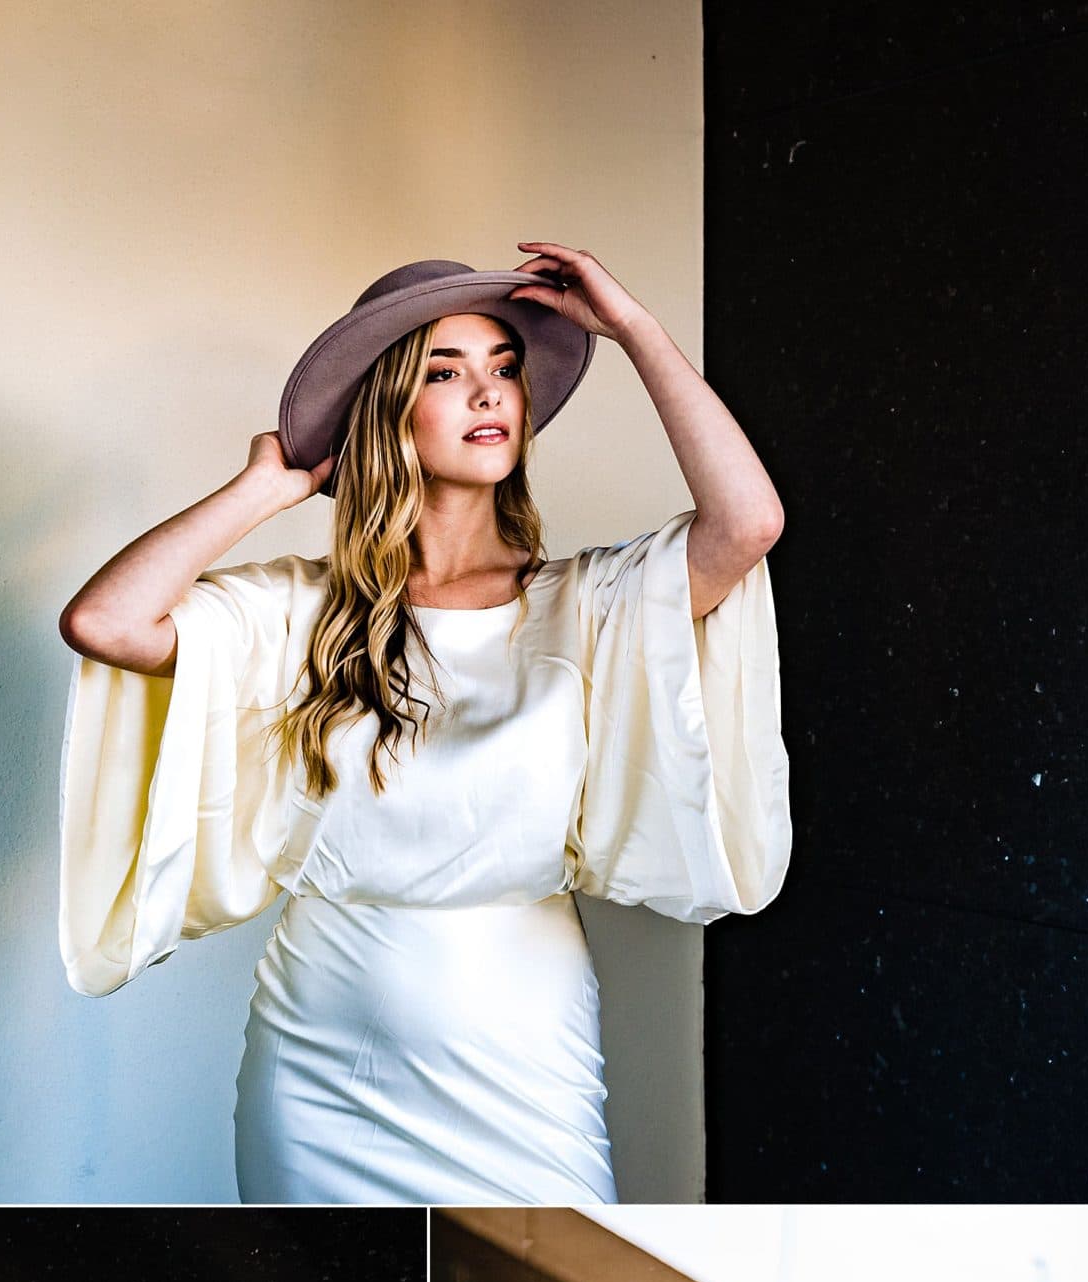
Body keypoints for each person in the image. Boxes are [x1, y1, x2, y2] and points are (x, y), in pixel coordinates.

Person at [58, 244, 791, 1205]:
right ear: (389, 409)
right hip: (318, 1052)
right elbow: (103, 624)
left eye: (503, 369)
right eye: (446, 373)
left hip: (520, 1037)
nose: (488, 393)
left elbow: (746, 526)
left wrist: (637, 334)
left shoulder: (587, 605)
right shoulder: (297, 612)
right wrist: (265, 491)